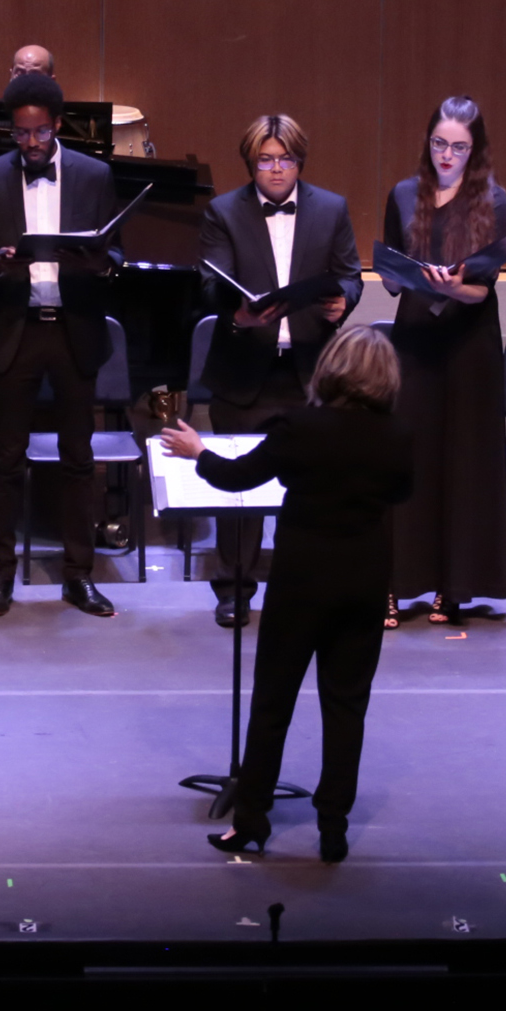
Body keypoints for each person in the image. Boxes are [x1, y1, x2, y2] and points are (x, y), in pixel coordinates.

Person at [160, 325, 415, 863]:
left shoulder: (300, 426)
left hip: (302, 582)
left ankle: (251, 820)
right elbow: (401, 490)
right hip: (364, 581)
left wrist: (196, 451)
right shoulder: (397, 436)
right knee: (346, 706)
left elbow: (237, 479)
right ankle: (333, 828)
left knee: (273, 701)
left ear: (332, 369)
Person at [0, 71, 127, 620]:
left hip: (73, 329)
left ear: (58, 126)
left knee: (77, 459)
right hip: (15, 329)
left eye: (38, 133)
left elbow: (117, 254)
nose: (30, 144)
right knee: (5, 459)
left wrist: (100, 261)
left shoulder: (94, 175)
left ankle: (79, 577)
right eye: (20, 134)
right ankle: (0, 576)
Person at [194, 113, 361, 629]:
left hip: (312, 370)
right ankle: (235, 589)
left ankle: (307, 586)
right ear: (251, 162)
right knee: (239, 489)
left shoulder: (331, 208)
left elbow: (350, 275)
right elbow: (210, 281)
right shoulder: (223, 211)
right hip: (246, 369)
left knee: (313, 490)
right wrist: (238, 313)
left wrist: (342, 303)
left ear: (299, 161)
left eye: (284, 159)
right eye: (265, 160)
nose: (275, 169)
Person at [378, 96, 506, 627]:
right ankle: (394, 582)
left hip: (468, 342)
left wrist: (457, 287)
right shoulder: (405, 194)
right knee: (409, 458)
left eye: (459, 147)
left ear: (474, 150)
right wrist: (397, 275)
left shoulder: (493, 200)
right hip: (415, 338)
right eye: (439, 144)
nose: (447, 156)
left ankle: (452, 587)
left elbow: (482, 290)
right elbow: (388, 271)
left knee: (463, 462)